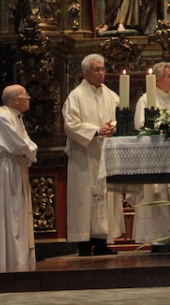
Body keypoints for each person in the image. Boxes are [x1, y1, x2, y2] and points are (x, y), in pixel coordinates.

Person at [62, 53, 124, 256]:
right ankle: (83, 243)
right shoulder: (76, 96)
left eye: (102, 69)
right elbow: (70, 124)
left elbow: (120, 116)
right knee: (84, 198)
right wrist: (96, 130)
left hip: (105, 153)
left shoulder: (111, 95)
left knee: (105, 196)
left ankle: (102, 242)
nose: (101, 73)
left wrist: (112, 127)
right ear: (85, 73)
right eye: (96, 70)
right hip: (85, 155)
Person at [0, 85, 38, 271]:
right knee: (8, 213)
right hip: (6, 168)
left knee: (17, 215)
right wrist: (30, 151)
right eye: (25, 95)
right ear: (16, 100)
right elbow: (19, 144)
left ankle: (19, 261)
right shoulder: (1, 117)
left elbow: (25, 143)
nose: (28, 98)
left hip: (15, 166)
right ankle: (5, 262)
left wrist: (28, 150)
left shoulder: (14, 116)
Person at [132, 62, 170, 250]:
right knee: (156, 200)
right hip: (154, 158)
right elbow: (140, 125)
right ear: (157, 80)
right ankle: (156, 240)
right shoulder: (146, 100)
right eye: (168, 76)